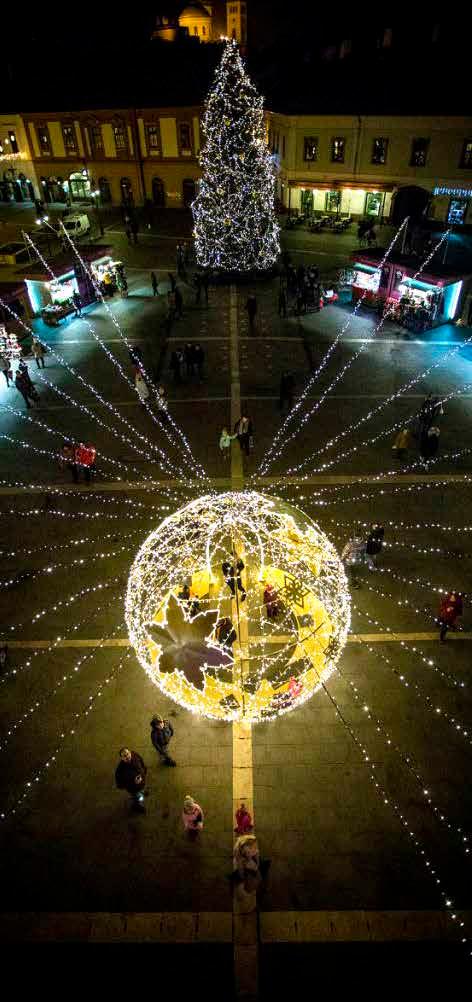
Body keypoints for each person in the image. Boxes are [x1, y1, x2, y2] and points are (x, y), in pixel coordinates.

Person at [115, 747, 148, 812]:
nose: (127, 757)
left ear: (130, 753)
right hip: (134, 789)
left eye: (127, 754)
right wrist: (133, 782)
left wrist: (144, 773)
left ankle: (142, 792)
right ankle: (137, 806)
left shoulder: (135, 755)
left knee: (142, 791)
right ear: (121, 758)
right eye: (124, 756)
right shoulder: (120, 770)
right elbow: (120, 785)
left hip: (142, 782)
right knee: (138, 797)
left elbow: (142, 762)